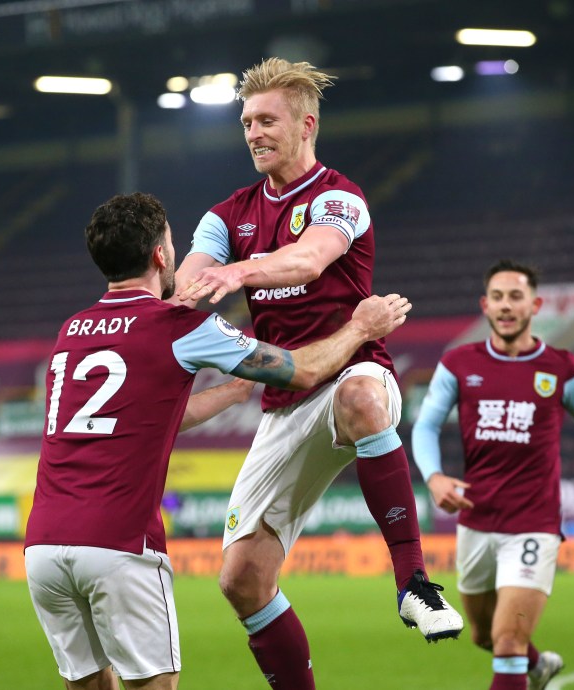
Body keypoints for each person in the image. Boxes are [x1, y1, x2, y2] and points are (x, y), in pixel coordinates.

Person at [24, 192, 412, 690]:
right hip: (118, 544)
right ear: (161, 256)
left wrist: (233, 392)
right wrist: (361, 328)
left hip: (44, 548)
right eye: (171, 242)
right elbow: (304, 371)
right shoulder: (178, 326)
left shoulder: (72, 331)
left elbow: (144, 417)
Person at [174, 57, 462, 689]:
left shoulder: (339, 197)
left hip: (348, 369)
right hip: (282, 401)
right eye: (246, 122)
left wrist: (239, 273)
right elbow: (189, 277)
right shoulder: (228, 215)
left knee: (363, 397)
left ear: (306, 124)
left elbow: (310, 259)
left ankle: (413, 583)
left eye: (267, 120)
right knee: (241, 581)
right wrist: (199, 280)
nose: (253, 133)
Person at [411, 259, 574, 690]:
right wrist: (434, 477)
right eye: (498, 297)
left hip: (534, 525)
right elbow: (426, 425)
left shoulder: (563, 368)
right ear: (485, 305)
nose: (507, 306)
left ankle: (523, 662)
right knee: (486, 635)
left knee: (507, 641)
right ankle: (538, 667)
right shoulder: (459, 364)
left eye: (516, 297)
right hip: (476, 521)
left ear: (535, 304)